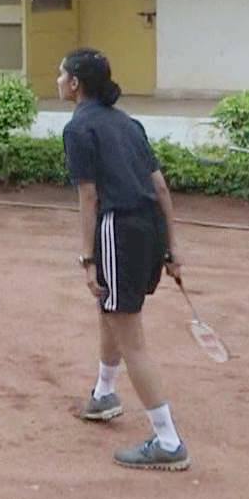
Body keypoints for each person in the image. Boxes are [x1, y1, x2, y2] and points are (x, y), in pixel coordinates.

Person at [61, 48, 191, 472]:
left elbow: (89, 196)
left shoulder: (79, 128)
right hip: (148, 226)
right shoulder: (128, 124)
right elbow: (162, 189)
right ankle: (103, 395)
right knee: (110, 310)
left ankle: (168, 440)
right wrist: (171, 248)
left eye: (63, 74)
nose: (58, 80)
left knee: (130, 336)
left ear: (76, 83)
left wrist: (87, 257)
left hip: (118, 230)